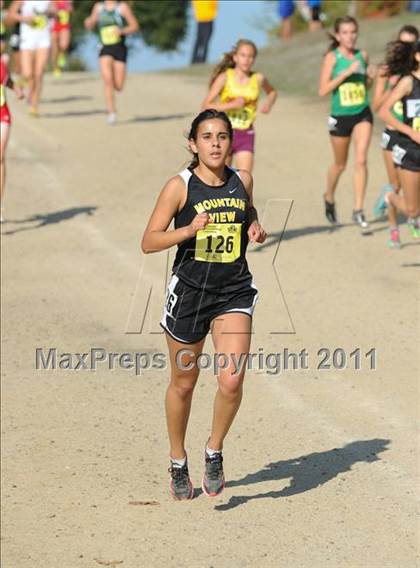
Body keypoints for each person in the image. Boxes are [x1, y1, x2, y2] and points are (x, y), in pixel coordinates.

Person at [141, 109, 267, 500]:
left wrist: (253, 227)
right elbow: (149, 241)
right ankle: (178, 460)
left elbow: (248, 212)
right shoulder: (179, 187)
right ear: (194, 145)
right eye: (207, 137)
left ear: (231, 143)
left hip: (233, 292)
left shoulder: (241, 180)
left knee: (231, 381)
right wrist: (189, 230)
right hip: (191, 294)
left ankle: (214, 450)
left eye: (223, 136)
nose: (215, 143)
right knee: (184, 382)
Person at [318, 16, 375, 232]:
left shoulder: (363, 55)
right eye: (345, 33)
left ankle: (358, 209)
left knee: (361, 161)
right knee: (340, 164)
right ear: (338, 35)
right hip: (340, 116)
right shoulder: (333, 58)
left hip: (362, 112)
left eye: (353, 32)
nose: (350, 37)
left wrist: (370, 75)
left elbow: (366, 83)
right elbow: (322, 90)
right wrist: (345, 73)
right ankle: (329, 195)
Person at [201, 39, 277, 174]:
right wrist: (232, 104)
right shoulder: (225, 77)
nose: (247, 60)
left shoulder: (258, 78)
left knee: (245, 180)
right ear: (235, 57)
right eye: (243, 55)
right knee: (220, 179)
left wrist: (268, 104)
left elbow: (272, 92)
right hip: (223, 133)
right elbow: (206, 106)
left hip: (246, 133)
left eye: (251, 56)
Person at [371, 25, 418, 219]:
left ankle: (413, 218)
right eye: (403, 43)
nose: (406, 47)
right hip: (395, 134)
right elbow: (377, 107)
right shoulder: (388, 71)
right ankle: (394, 226)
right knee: (396, 185)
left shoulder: (414, 73)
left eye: (411, 43)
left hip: (413, 134)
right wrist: (394, 89)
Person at [378, 40, 420, 248]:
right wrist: (411, 132)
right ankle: (390, 197)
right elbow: (384, 110)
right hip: (411, 149)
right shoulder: (408, 82)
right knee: (412, 211)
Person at [84, 0, 139, 124]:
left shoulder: (122, 7)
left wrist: (122, 31)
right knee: (107, 80)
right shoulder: (98, 7)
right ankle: (111, 112)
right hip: (104, 47)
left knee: (118, 86)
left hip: (119, 48)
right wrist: (89, 22)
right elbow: (91, 23)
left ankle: (114, 78)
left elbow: (134, 26)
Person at [6, 0, 54, 117]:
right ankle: (28, 91)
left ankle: (34, 105)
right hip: (27, 39)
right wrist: (24, 19)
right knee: (28, 73)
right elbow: (10, 14)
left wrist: (50, 11)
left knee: (39, 72)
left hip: (43, 39)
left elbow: (55, 10)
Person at [1, 45, 24, 222]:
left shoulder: (1, 61)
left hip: (2, 113)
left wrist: (15, 87)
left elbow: (5, 79)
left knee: (0, 156)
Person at [191, 0, 217, 64]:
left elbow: (214, 5)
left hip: (205, 20)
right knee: (201, 42)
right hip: (204, 20)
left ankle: (199, 60)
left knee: (202, 42)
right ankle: (197, 60)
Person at [51, 0, 73, 78]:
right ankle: (56, 68)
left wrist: (69, 9)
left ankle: (62, 54)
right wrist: (54, 12)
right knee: (55, 47)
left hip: (64, 23)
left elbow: (71, 10)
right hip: (53, 24)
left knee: (64, 45)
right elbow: (50, 9)